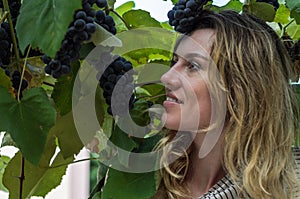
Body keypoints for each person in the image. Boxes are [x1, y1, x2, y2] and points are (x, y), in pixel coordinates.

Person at [152, 9, 300, 199]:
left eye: (192, 66)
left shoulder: (291, 185)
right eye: (174, 62)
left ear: (239, 89)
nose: (166, 77)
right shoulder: (152, 180)